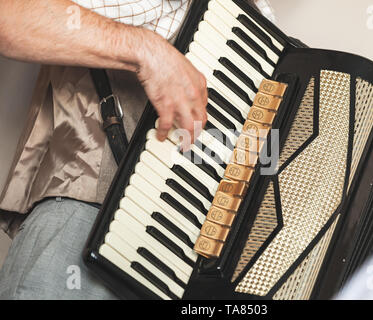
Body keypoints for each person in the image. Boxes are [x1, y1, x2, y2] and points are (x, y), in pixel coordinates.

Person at [0, 0, 274, 299]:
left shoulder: (258, 18)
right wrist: (145, 50)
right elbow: (9, 15)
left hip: (181, 256)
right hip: (90, 218)